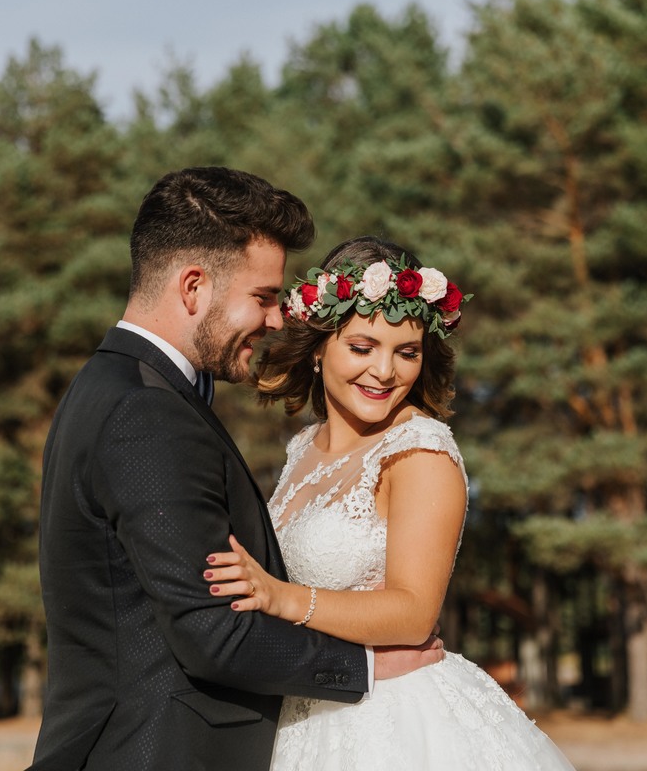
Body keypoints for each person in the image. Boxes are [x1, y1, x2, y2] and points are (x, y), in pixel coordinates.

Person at [27, 169, 442, 771]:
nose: (277, 320)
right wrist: (367, 667)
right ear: (193, 286)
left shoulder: (107, 384)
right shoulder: (147, 412)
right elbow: (212, 633)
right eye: (264, 297)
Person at [204, 235, 576, 769]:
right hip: (305, 710)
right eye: (362, 348)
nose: (384, 371)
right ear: (317, 349)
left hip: (394, 722)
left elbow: (414, 613)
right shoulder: (303, 447)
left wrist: (281, 598)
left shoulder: (421, 451)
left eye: (407, 352)